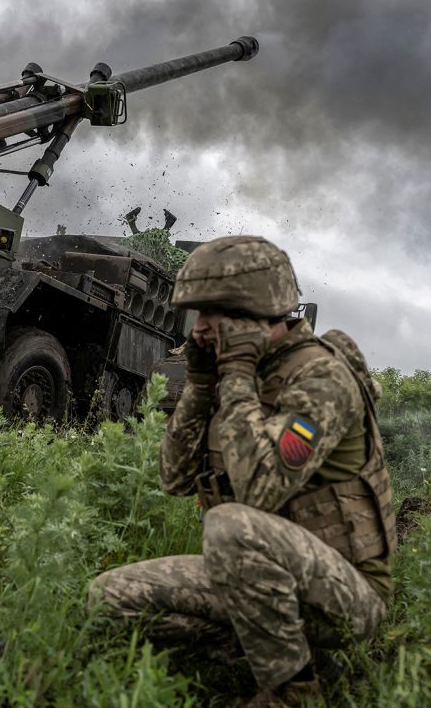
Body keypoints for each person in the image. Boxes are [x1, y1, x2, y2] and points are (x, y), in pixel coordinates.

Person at [88, 236, 396, 706]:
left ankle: (295, 692)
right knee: (110, 598)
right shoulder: (235, 372)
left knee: (229, 524)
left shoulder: (321, 380)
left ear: (259, 314)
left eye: (214, 315)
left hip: (343, 595)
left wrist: (233, 377)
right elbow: (174, 478)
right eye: (198, 315)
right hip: (260, 584)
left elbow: (259, 492)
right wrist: (200, 384)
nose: (201, 329)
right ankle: (283, 656)